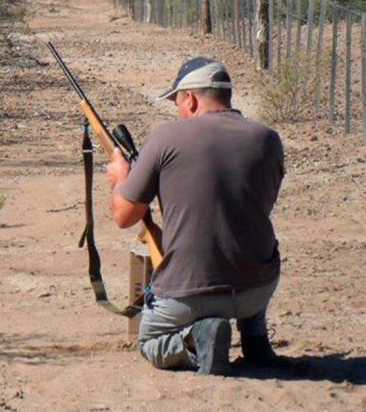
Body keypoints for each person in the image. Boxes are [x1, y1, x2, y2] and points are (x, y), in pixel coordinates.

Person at [105, 57, 285, 375]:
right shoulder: (268, 140)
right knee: (247, 235)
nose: (178, 111)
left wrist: (120, 179)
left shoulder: (166, 138)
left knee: (150, 342)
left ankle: (195, 341)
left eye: (177, 102)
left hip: (189, 295)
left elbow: (124, 216)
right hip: (256, 290)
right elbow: (254, 208)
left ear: (190, 98)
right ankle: (255, 336)